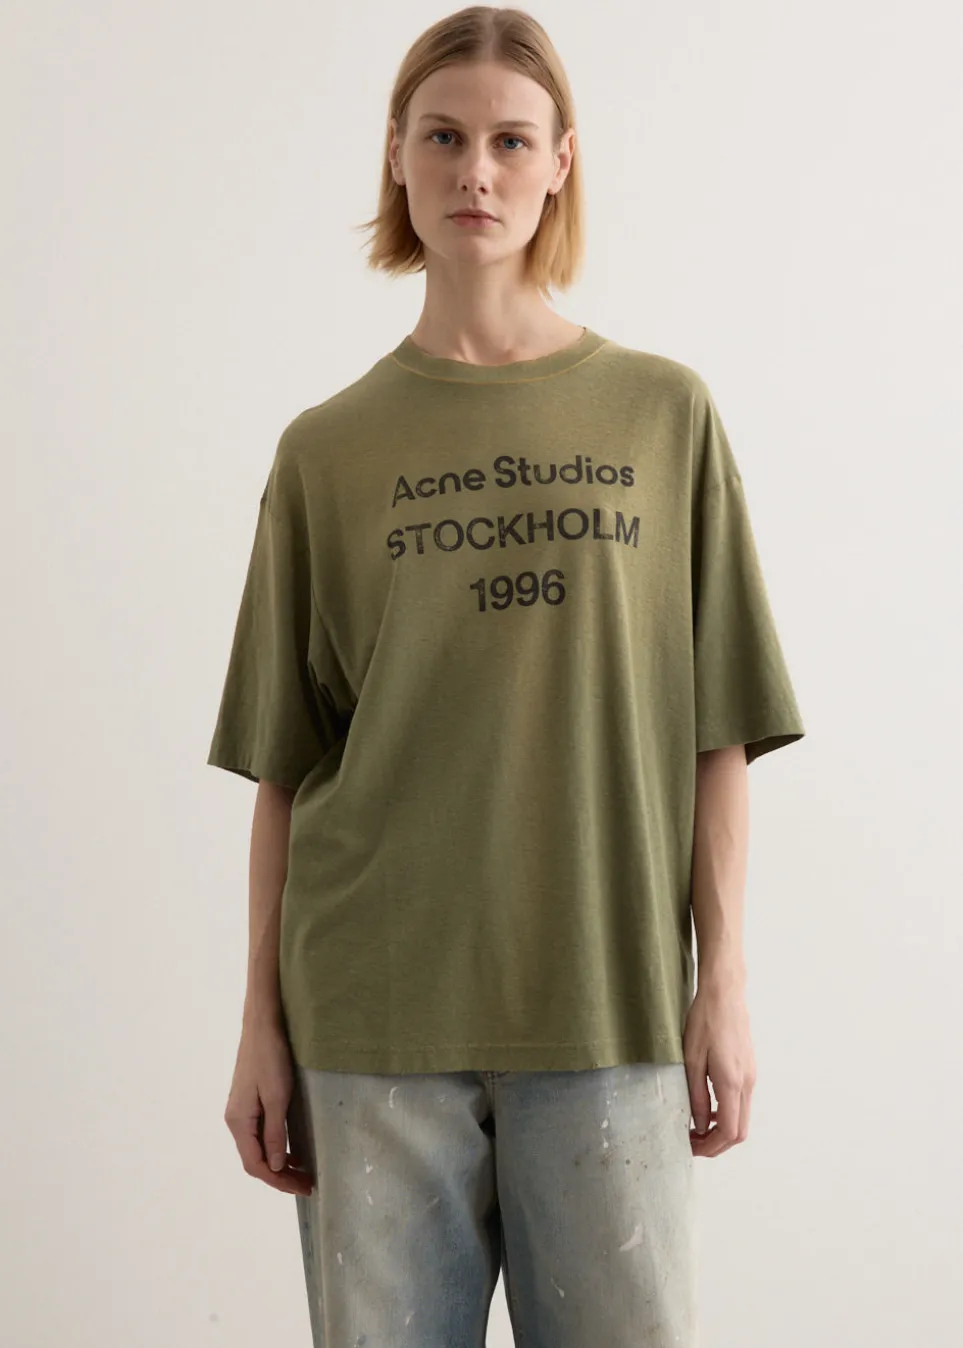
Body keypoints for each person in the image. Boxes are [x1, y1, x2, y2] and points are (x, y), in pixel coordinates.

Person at [206, 6, 806, 1345]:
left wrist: (722, 980)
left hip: (605, 1000)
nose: (474, 171)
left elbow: (718, 726)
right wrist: (259, 1023)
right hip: (370, 1013)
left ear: (560, 162)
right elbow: (287, 768)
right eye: (443, 138)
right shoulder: (326, 450)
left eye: (509, 141)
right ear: (398, 157)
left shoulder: (662, 413)